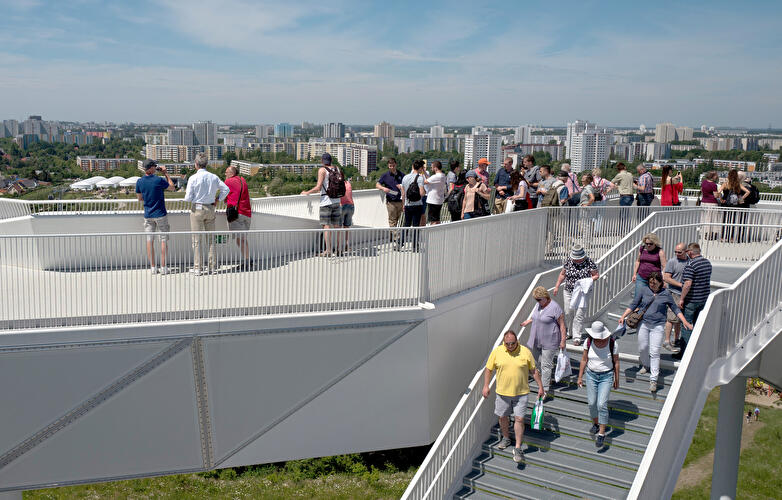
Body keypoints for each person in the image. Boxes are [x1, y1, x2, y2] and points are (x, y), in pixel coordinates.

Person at [618, 272, 692, 392]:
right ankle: (646, 365)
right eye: (650, 282)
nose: (652, 285)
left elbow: (675, 308)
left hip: (657, 326)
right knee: (643, 347)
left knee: (654, 351)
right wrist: (623, 316)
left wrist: (684, 322)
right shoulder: (643, 290)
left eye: (655, 283)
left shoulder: (666, 294)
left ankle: (653, 379)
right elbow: (633, 304)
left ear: (660, 283)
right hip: (643, 323)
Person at [482, 330, 545, 464]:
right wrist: (486, 386)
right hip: (502, 393)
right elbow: (488, 369)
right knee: (502, 417)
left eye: (512, 343)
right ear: (504, 343)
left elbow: (533, 370)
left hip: (521, 393)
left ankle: (518, 447)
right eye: (507, 344)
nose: (510, 346)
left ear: (517, 341)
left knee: (519, 419)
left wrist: (540, 386)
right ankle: (506, 437)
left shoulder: (525, 352)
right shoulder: (497, 352)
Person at [185, 152, 230, 275]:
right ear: (206, 164)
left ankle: (198, 268)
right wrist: (218, 199)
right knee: (211, 239)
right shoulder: (214, 177)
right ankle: (212, 267)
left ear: (196, 164)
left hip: (197, 210)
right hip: (210, 209)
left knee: (196, 240)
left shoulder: (193, 178)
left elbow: (188, 198)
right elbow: (226, 189)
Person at [577, 321, 619, 448]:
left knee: (602, 404)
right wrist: (580, 376)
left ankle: (602, 433)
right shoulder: (588, 342)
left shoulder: (612, 343)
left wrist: (617, 378)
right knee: (592, 403)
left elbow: (616, 362)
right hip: (591, 375)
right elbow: (584, 359)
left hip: (606, 375)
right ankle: (596, 423)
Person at [521, 286, 566, 400]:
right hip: (536, 339)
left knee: (546, 365)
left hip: (550, 340)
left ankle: (545, 389)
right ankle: (541, 381)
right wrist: (528, 321)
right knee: (535, 363)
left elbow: (562, 325)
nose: (537, 302)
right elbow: (537, 316)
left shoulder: (555, 308)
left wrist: (563, 340)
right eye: (536, 300)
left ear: (546, 297)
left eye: (539, 299)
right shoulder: (539, 305)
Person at [672, 243, 712, 360]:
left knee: (687, 326)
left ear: (690, 252)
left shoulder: (691, 264)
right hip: (703, 299)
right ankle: (697, 351)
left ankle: (686, 354)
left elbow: (687, 284)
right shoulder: (707, 263)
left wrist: (682, 298)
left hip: (691, 301)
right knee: (698, 326)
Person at [554, 243, 599, 345]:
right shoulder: (568, 261)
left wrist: (586, 281)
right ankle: (569, 331)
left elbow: (596, 275)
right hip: (569, 290)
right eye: (575, 258)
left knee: (579, 314)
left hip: (583, 292)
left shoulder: (589, 262)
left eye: (578, 258)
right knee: (568, 312)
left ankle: (577, 336)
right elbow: (562, 274)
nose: (576, 260)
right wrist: (557, 286)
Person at [135, 159, 174, 275]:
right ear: (151, 168)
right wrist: (166, 173)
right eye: (155, 166)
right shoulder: (158, 180)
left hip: (148, 214)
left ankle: (152, 267)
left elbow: (139, 198)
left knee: (149, 240)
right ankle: (163, 267)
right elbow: (172, 187)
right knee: (163, 240)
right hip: (160, 214)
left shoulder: (139, 181)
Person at [301, 153, 344, 256]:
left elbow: (318, 188)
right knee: (337, 226)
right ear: (331, 160)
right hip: (337, 201)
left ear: (322, 161)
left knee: (326, 226)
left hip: (326, 201)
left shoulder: (322, 170)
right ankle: (339, 249)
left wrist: (306, 192)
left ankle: (328, 250)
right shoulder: (337, 169)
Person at [224, 165, 252, 269]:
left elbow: (223, 194)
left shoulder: (228, 182)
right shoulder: (242, 179)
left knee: (241, 240)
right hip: (247, 213)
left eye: (226, 173)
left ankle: (247, 262)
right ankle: (248, 259)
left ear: (231, 174)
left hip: (237, 214)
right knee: (243, 239)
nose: (225, 175)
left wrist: (218, 199)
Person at [662, 243, 688, 352]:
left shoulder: (690, 262)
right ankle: (667, 341)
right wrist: (680, 285)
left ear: (686, 251)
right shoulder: (672, 262)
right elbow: (666, 278)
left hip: (684, 294)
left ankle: (676, 339)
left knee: (679, 319)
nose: (677, 254)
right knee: (671, 318)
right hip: (674, 293)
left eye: (679, 252)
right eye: (675, 252)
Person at [399, 160, 426, 251]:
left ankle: (400, 243)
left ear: (413, 166)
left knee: (406, 225)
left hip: (407, 204)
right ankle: (415, 246)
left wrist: (403, 204)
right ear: (421, 168)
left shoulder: (405, 177)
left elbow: (403, 193)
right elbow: (422, 193)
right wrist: (424, 192)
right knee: (415, 226)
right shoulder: (420, 178)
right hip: (417, 205)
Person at [632, 233, 666, 299]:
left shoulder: (660, 251)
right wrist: (634, 274)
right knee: (638, 296)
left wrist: (663, 279)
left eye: (650, 244)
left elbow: (664, 266)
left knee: (651, 298)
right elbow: (638, 261)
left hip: (654, 279)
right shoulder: (642, 249)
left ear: (655, 243)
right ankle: (637, 308)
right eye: (646, 243)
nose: (648, 245)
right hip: (641, 277)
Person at [375, 158, 404, 229]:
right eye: (390, 166)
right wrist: (383, 188)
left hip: (401, 201)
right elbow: (377, 185)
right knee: (392, 220)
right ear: (388, 166)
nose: (392, 167)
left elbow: (407, 185)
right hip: (391, 202)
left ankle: (394, 236)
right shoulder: (385, 175)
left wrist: (401, 187)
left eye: (393, 166)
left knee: (400, 220)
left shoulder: (402, 174)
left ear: (396, 165)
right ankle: (395, 237)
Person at [424, 161, 446, 225]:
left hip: (433, 200)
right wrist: (424, 172)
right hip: (439, 200)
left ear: (435, 168)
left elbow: (425, 181)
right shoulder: (443, 175)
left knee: (433, 220)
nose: (431, 169)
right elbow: (430, 179)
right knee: (437, 219)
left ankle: (432, 233)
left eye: (432, 167)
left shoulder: (436, 176)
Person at [700, 171, 721, 240]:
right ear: (713, 176)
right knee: (711, 219)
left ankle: (704, 232)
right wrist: (719, 193)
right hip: (711, 203)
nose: (717, 177)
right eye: (716, 176)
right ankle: (710, 234)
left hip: (703, 202)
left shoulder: (704, 182)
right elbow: (716, 195)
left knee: (705, 218)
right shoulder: (713, 185)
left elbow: (701, 190)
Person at [340, 177, 354, 252]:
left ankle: (340, 247)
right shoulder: (348, 183)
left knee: (339, 227)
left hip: (342, 205)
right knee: (346, 227)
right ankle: (346, 245)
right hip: (351, 205)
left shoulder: (338, 183)